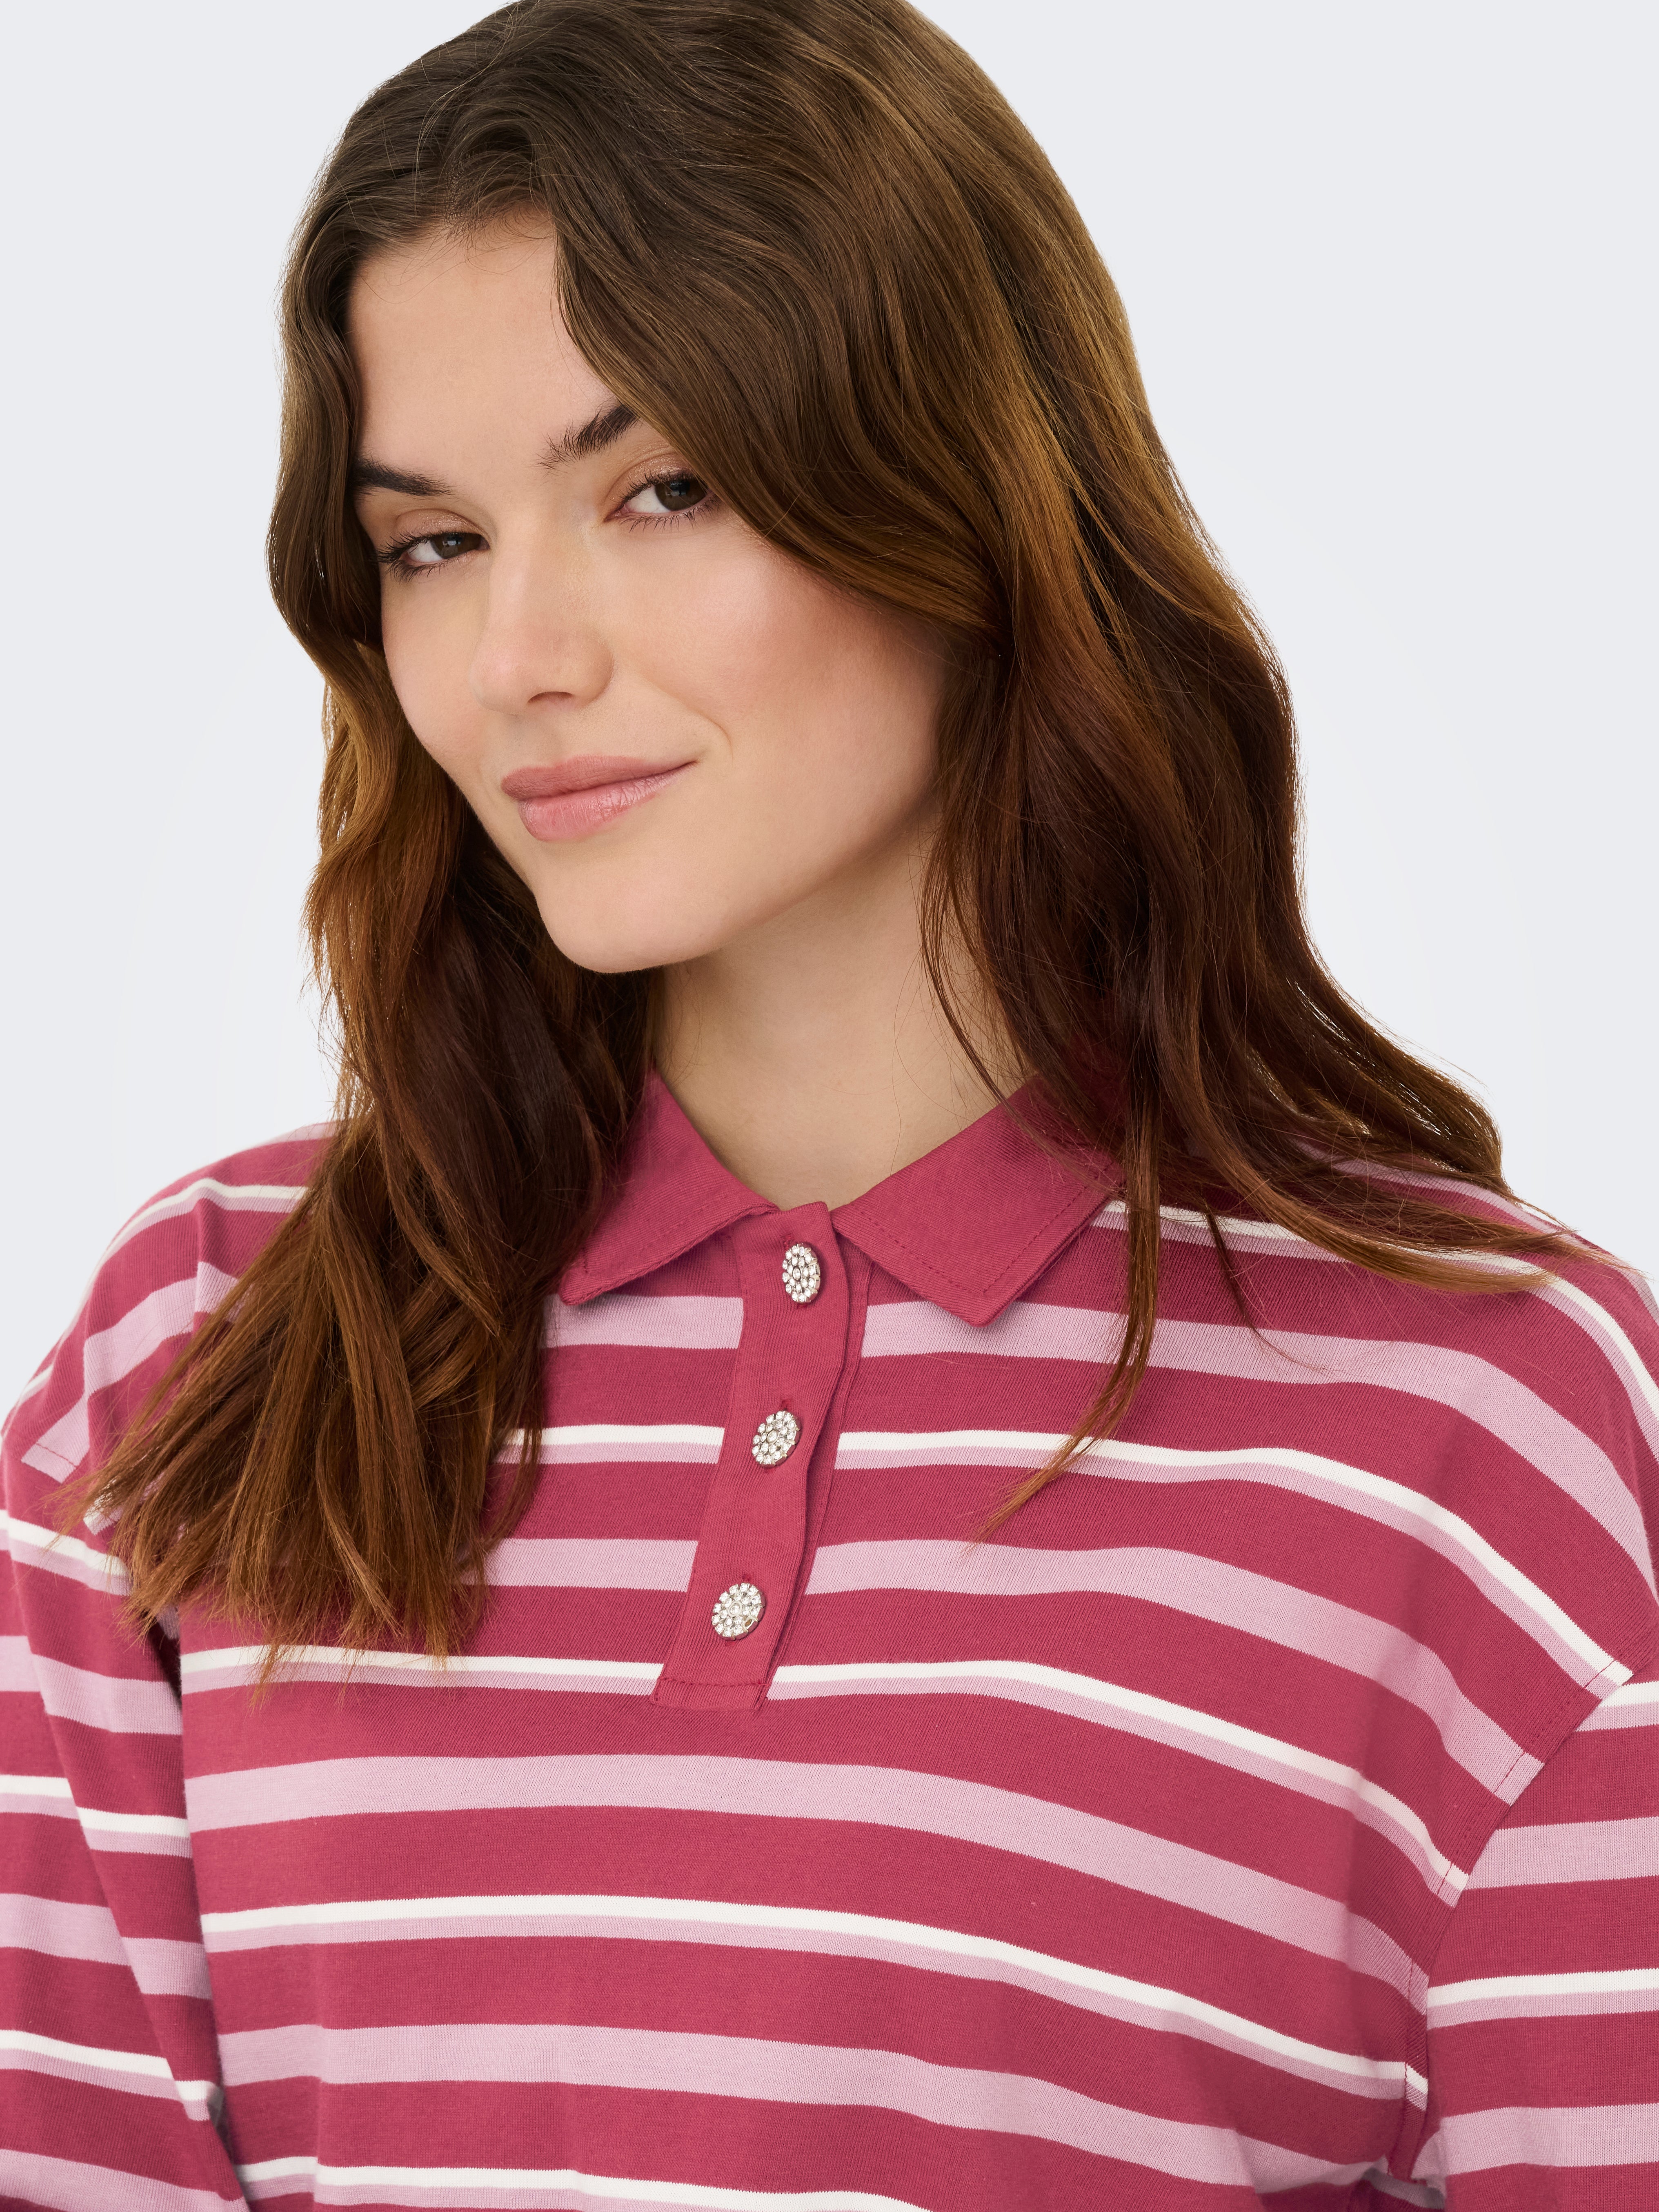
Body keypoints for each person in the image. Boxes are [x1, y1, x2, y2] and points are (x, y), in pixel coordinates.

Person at [3, 0, 1655, 2203]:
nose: (520, 659)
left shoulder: (1483, 1432)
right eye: (433, 543)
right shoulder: (197, 1351)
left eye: (661, 490)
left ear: (957, 495)